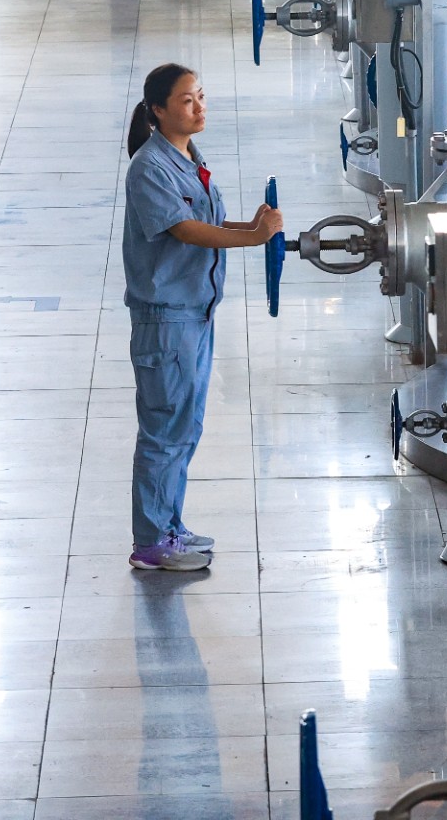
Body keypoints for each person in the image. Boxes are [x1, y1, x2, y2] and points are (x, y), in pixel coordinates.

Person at [122, 63, 282, 572]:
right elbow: (185, 230)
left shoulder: (190, 158)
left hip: (195, 312)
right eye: (187, 100)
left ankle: (170, 524)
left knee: (185, 426)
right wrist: (250, 240)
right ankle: (151, 542)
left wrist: (249, 226)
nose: (199, 107)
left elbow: (204, 219)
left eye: (201, 97)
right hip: (167, 318)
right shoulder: (150, 167)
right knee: (164, 430)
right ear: (158, 110)